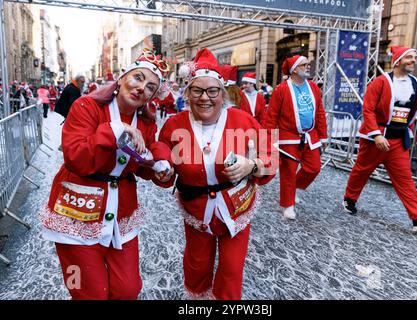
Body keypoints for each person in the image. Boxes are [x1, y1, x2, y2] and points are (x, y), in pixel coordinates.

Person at [39, 49, 174, 300]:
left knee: (128, 289)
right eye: (138, 78)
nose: (141, 88)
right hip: (76, 211)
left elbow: (141, 159)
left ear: (153, 97)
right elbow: (76, 158)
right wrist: (113, 131)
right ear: (122, 78)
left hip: (121, 211)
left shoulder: (145, 122)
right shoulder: (85, 106)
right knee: (87, 290)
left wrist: (160, 167)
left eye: (151, 87)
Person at [158, 48, 276, 300]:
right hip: (197, 209)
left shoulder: (243, 120)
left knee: (232, 269)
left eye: (212, 91)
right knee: (196, 265)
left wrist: (252, 165)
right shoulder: (173, 125)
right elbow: (160, 165)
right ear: (187, 94)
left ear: (222, 95)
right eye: (197, 90)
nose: (205, 98)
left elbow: (271, 157)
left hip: (237, 208)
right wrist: (162, 172)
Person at [342, 46, 417, 232]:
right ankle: (349, 198)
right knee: (362, 171)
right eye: (409, 57)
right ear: (397, 61)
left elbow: (414, 111)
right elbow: (368, 109)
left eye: (415, 57)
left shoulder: (416, 84)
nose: (414, 60)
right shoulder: (381, 82)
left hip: (398, 140)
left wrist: (409, 131)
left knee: (405, 179)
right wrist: (376, 134)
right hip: (376, 139)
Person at [263, 55, 327, 220]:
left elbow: (320, 112)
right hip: (288, 137)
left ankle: (294, 188)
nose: (308, 67)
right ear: (294, 69)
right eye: (304, 65)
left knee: (314, 168)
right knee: (288, 173)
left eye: (307, 64)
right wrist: (267, 140)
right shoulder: (281, 89)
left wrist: (323, 137)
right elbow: (271, 116)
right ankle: (287, 204)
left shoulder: (313, 87)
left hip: (310, 136)